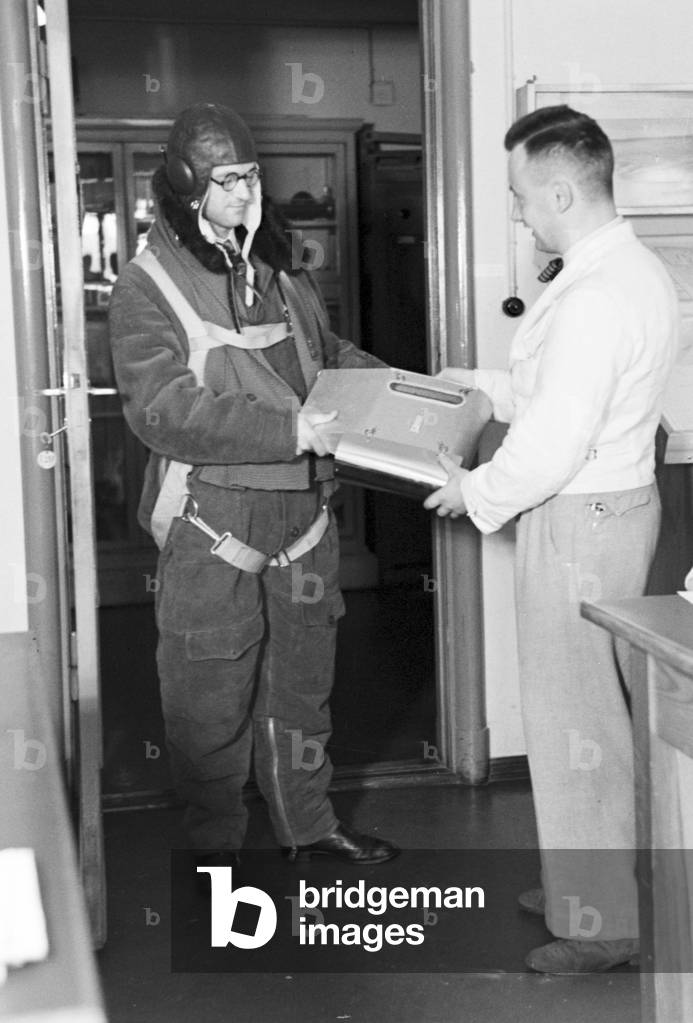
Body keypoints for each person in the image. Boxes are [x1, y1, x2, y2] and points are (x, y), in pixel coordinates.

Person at [109, 101, 398, 867]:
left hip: (304, 517)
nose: (242, 193)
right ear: (184, 185)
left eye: (250, 177)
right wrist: (290, 431)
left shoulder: (277, 270)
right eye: (224, 180)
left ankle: (307, 827)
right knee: (209, 703)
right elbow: (163, 408)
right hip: (215, 520)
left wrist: (411, 395)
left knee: (301, 692)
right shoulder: (146, 286)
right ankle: (216, 857)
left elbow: (325, 355)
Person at [425, 105, 679, 972]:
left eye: (521, 197)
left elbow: (552, 443)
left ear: (562, 188)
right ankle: (592, 876)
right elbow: (552, 392)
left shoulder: (599, 294)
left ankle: (600, 923)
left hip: (577, 517)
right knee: (593, 716)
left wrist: (472, 490)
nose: (519, 214)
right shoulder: (607, 273)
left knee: (575, 717)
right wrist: (475, 387)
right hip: (603, 509)